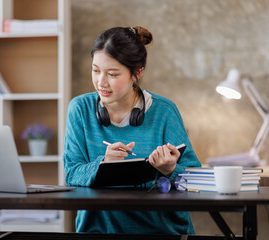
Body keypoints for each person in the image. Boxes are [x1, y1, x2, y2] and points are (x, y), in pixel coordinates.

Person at [63, 26, 201, 235]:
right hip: (99, 232)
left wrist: (171, 170)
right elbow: (72, 173)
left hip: (162, 232)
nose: (101, 82)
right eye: (96, 70)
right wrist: (103, 164)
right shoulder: (79, 109)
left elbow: (196, 180)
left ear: (137, 73)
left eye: (112, 74)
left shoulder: (165, 111)